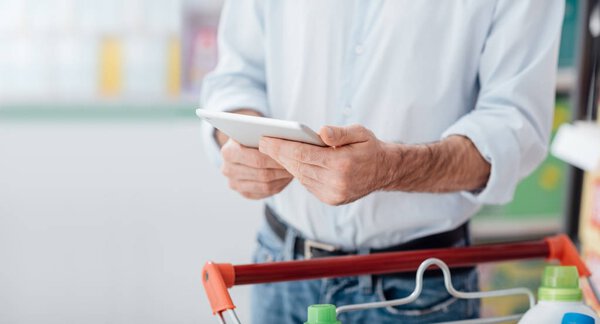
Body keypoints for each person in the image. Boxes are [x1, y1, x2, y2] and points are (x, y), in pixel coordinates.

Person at [201, 1, 564, 323]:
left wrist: (391, 168)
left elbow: (514, 128)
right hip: (281, 268)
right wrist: (239, 142)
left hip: (419, 285)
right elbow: (237, 76)